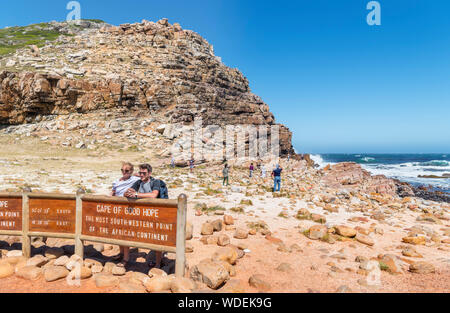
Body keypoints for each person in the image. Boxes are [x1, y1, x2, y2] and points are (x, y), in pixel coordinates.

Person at [124, 164, 163, 268]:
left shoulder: (156, 182)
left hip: (155, 215)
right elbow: (127, 192)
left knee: (157, 238)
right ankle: (125, 259)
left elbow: (154, 195)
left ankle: (158, 263)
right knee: (127, 233)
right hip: (141, 215)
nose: (141, 175)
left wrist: (136, 195)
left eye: (144, 173)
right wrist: (128, 193)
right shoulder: (138, 183)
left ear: (149, 173)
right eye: (140, 173)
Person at [111, 162, 140, 265]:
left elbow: (145, 177)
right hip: (117, 209)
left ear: (131, 171)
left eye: (126, 171)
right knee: (118, 232)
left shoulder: (135, 180)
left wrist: (137, 174)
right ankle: (121, 253)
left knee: (124, 233)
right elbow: (113, 193)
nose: (124, 172)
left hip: (127, 209)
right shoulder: (116, 181)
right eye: (122, 170)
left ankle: (126, 259)